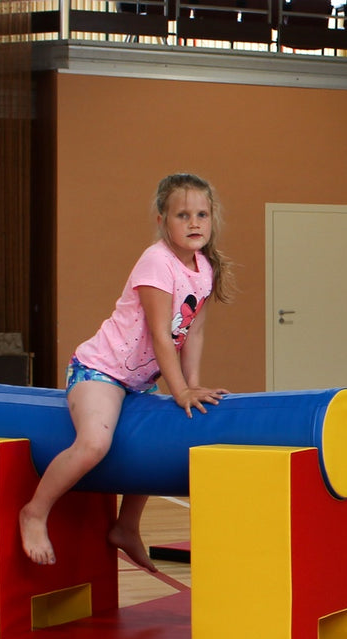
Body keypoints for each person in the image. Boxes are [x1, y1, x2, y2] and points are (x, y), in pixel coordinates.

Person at [19, 172, 233, 570]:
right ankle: (35, 510)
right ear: (161, 220)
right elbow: (159, 334)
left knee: (153, 445)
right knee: (94, 446)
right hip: (98, 371)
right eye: (182, 215)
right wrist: (180, 391)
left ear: (212, 218)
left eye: (202, 214)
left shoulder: (204, 268)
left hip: (138, 382)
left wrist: (192, 385)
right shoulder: (157, 262)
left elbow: (194, 332)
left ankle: (126, 526)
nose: (194, 223)